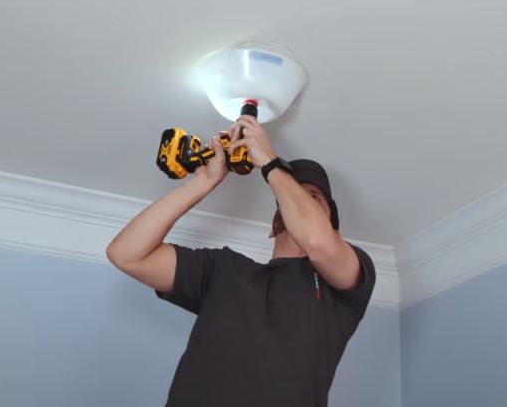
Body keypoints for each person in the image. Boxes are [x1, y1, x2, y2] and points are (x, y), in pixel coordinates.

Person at [106, 115, 376, 407]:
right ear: (272, 228)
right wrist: (204, 182)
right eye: (291, 201)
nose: (300, 203)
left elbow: (318, 242)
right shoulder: (222, 268)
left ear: (334, 229)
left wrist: (270, 162)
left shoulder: (346, 282)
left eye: (313, 199)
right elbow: (126, 254)